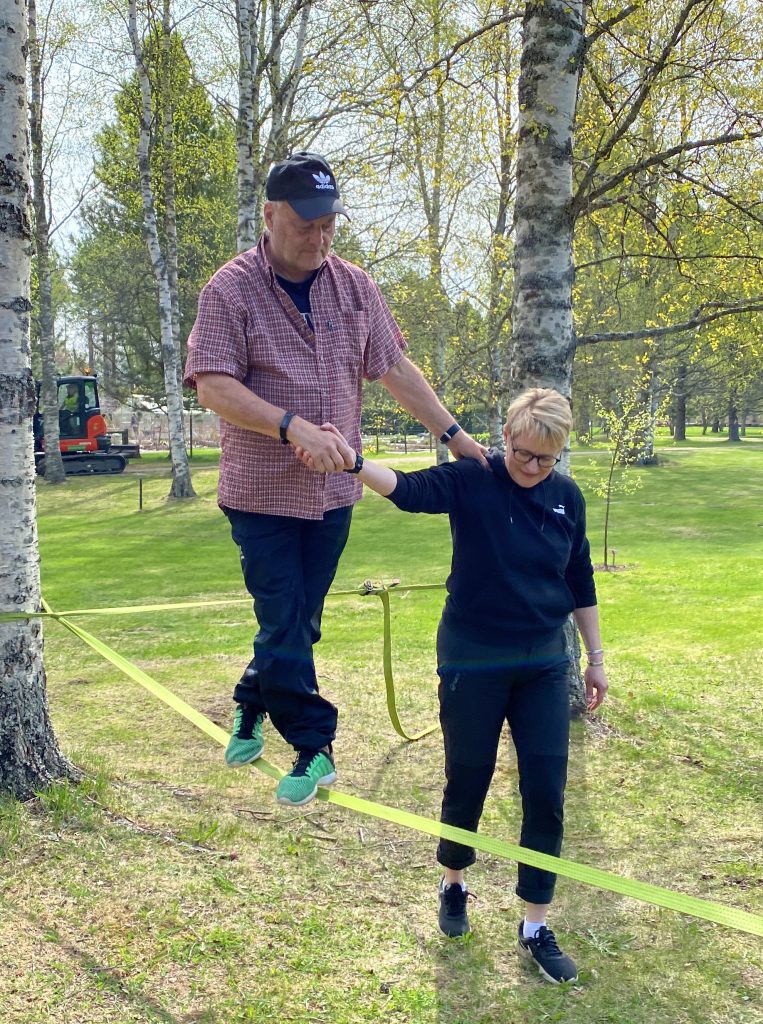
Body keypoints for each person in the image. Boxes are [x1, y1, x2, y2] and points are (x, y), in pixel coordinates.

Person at [183, 151, 486, 808]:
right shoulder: (228, 290)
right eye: (304, 224)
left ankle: (248, 700)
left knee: (299, 625)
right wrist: (290, 426)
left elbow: (395, 369)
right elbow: (213, 386)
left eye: (329, 225)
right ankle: (314, 743)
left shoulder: (355, 288)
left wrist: (455, 438)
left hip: (333, 496)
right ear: (268, 216)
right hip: (261, 496)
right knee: (284, 619)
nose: (318, 238)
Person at [298, 388, 608, 984]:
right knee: (470, 774)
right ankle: (454, 881)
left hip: (543, 662)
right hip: (472, 657)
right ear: (507, 438)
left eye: (546, 460)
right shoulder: (475, 477)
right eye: (523, 454)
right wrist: (356, 462)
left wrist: (594, 657)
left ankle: (536, 923)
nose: (532, 469)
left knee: (546, 787)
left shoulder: (567, 497)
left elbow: (579, 576)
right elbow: (411, 491)